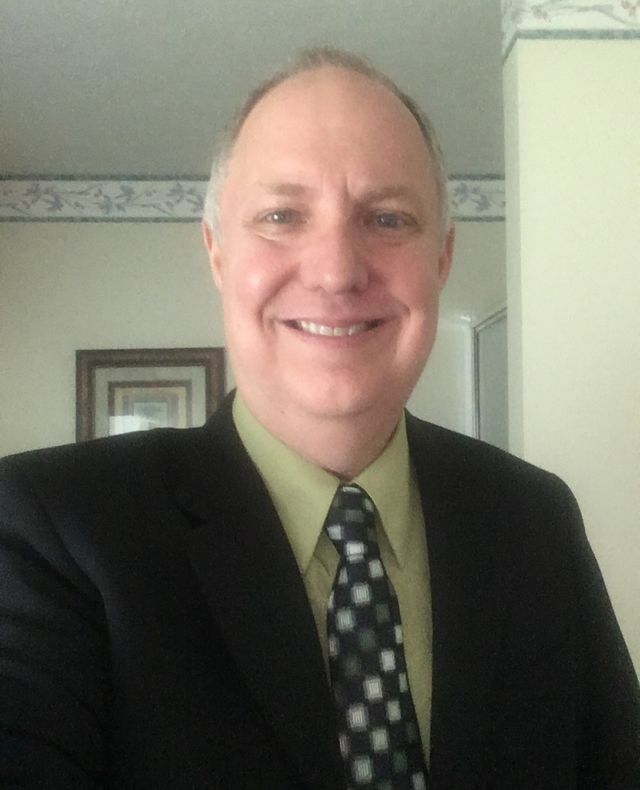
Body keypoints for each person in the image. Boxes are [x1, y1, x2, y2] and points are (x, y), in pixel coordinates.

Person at [0, 47, 638, 790]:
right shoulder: (52, 528)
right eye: (281, 216)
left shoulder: (533, 519)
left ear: (441, 258)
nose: (336, 270)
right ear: (216, 252)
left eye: (388, 218)